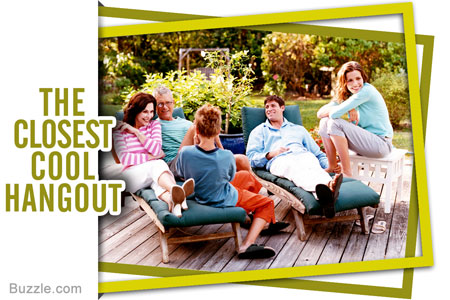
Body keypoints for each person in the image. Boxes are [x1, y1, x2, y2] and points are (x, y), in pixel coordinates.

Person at [176, 104, 289, 259]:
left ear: (196, 130)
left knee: (249, 177)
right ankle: (246, 245)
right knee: (266, 204)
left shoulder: (185, 152)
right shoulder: (226, 155)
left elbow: (182, 175)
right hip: (222, 197)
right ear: (217, 131)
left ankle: (250, 216)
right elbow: (228, 179)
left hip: (200, 192)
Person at [246, 95, 343, 218]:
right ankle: (329, 187)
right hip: (279, 160)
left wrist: (331, 166)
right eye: (266, 107)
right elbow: (251, 158)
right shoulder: (259, 131)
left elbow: (317, 153)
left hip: (303, 155)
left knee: (311, 161)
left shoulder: (298, 129)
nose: (269, 109)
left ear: (282, 108)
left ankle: (326, 195)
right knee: (294, 167)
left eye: (273, 106)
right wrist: (271, 154)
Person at [112, 92, 194, 217]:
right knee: (157, 164)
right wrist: (150, 157)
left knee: (158, 184)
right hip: (132, 175)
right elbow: (125, 159)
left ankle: (175, 201)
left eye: (151, 112)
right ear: (135, 111)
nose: (149, 116)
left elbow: (157, 150)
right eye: (145, 112)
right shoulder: (120, 130)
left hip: (152, 172)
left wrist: (138, 134)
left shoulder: (154, 125)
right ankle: (175, 189)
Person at [152, 86, 251, 179]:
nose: (164, 107)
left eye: (168, 102)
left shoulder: (186, 123)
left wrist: (223, 153)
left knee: (242, 160)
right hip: (176, 164)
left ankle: (242, 187)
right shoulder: (153, 126)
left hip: (198, 156)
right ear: (154, 106)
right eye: (160, 104)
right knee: (197, 125)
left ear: (173, 102)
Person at [317, 61, 394, 177]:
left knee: (334, 123)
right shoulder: (349, 96)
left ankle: (347, 173)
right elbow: (320, 113)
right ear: (344, 82)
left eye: (358, 78)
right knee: (324, 122)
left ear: (363, 78)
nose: (356, 84)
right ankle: (332, 166)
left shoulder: (366, 91)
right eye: (350, 80)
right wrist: (348, 108)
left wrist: (346, 108)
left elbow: (334, 115)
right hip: (365, 142)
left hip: (381, 144)